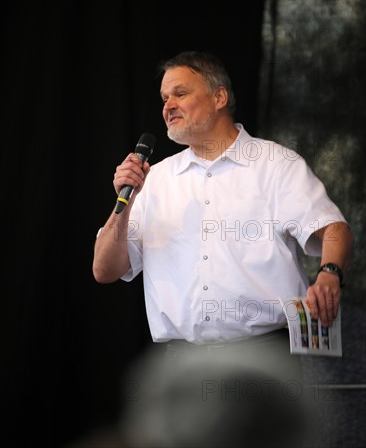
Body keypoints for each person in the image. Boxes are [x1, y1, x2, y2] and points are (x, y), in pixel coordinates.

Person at [92, 50, 353, 390]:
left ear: (219, 97)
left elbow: (334, 229)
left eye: (180, 93)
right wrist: (124, 204)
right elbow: (104, 270)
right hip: (181, 367)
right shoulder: (153, 179)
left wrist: (330, 275)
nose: (168, 105)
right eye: (164, 98)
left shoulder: (275, 164)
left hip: (262, 361)